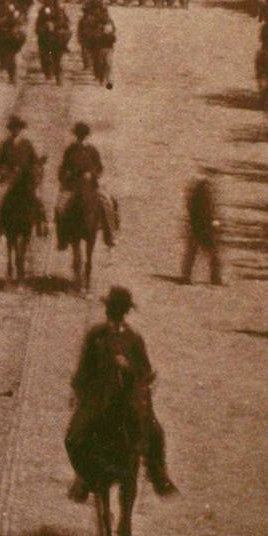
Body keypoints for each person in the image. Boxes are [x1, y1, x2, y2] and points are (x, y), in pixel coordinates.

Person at [66, 286, 176, 499]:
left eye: (116, 309)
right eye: (110, 308)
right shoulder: (96, 335)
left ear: (124, 311)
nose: (111, 312)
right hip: (99, 397)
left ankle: (159, 475)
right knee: (74, 435)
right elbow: (83, 369)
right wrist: (79, 389)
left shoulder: (133, 338)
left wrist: (129, 367)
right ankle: (83, 475)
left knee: (155, 431)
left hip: (127, 397)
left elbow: (145, 371)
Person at [181, 173, 222, 285]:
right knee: (213, 253)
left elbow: (191, 209)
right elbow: (209, 211)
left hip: (195, 226)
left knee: (192, 253)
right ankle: (215, 278)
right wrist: (214, 222)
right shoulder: (205, 193)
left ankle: (186, 277)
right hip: (204, 227)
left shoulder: (196, 194)